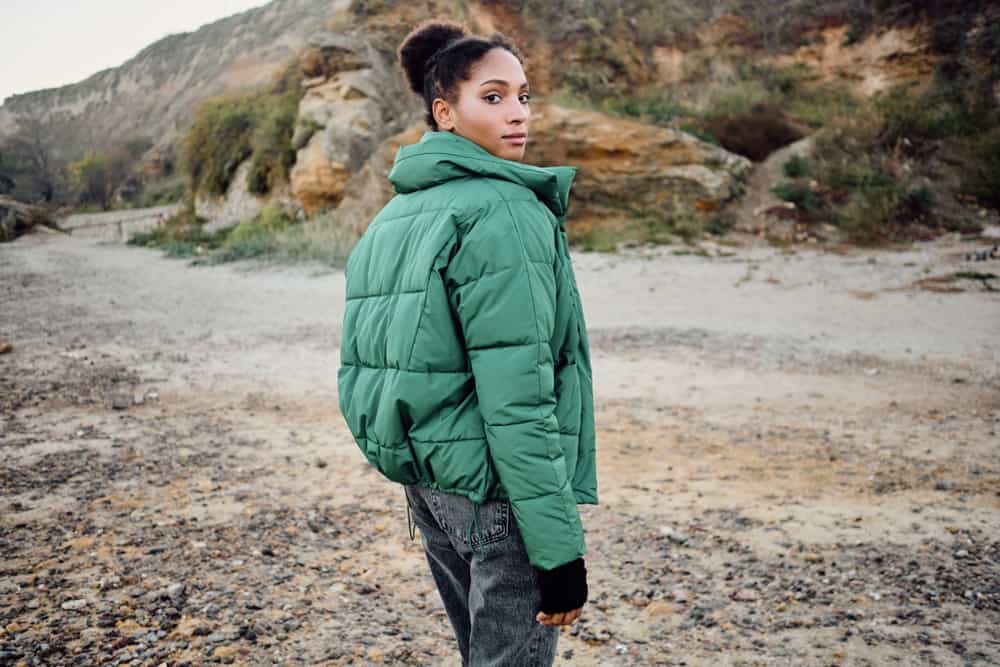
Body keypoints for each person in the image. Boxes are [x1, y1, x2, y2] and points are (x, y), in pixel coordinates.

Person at [337, 19, 598, 666]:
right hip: (494, 492)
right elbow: (518, 397)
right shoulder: (505, 210)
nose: (517, 114)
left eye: (523, 95)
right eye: (493, 96)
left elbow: (377, 366)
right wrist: (558, 549)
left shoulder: (397, 214)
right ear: (444, 112)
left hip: (430, 485)